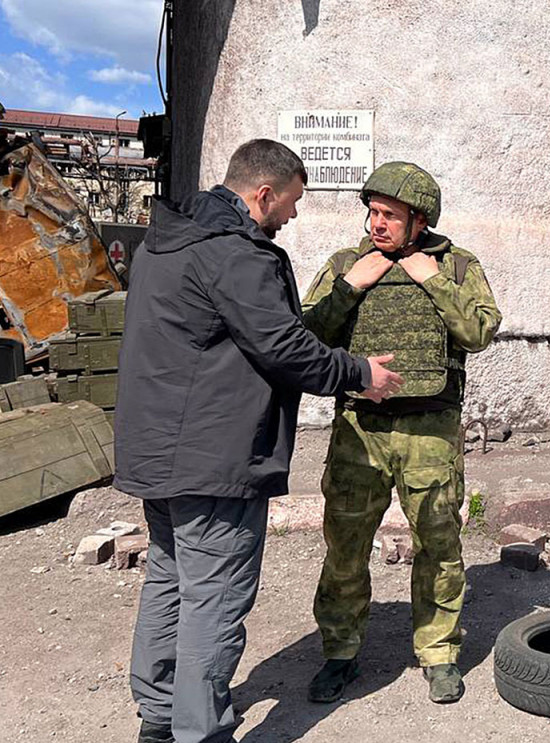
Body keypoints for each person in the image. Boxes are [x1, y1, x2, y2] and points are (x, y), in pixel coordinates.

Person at [113, 139, 403, 743]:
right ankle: (201, 732)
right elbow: (283, 347)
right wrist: (360, 374)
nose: (294, 215)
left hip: (159, 450)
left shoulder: (166, 243)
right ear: (263, 194)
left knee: (170, 582)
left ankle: (160, 719)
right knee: (214, 600)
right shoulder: (234, 255)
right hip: (213, 458)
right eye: (292, 202)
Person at [300, 161, 502, 704]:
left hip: (429, 430)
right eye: (371, 213)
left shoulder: (456, 267)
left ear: (419, 220)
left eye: (389, 214)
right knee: (345, 544)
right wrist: (350, 286)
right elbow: (306, 335)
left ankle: (438, 653)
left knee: (438, 541)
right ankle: (340, 653)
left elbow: (480, 331)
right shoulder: (348, 263)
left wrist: (431, 281)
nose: (376, 225)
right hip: (359, 428)